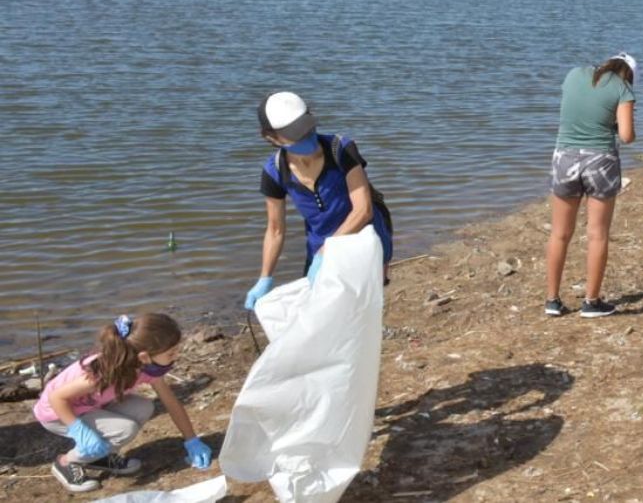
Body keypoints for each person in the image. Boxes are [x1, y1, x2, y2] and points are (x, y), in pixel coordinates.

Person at [246, 92, 394, 310]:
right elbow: (275, 229)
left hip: (365, 236)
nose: (307, 137)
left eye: (308, 128)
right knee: (320, 309)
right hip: (320, 243)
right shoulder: (274, 171)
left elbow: (363, 210)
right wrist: (265, 277)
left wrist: (327, 252)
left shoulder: (341, 149)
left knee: (363, 305)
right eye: (296, 134)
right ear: (272, 137)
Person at [33, 314, 211, 494]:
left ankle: (97, 457)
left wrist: (192, 440)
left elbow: (170, 402)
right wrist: (79, 430)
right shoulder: (102, 373)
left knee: (143, 407)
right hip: (57, 413)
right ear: (145, 356)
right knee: (125, 429)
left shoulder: (145, 368)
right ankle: (67, 461)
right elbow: (56, 398)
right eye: (171, 353)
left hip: (90, 406)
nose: (176, 356)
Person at [545, 53, 637, 318]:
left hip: (564, 157)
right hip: (600, 161)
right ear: (628, 75)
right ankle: (591, 302)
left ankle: (552, 300)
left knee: (560, 233)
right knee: (597, 233)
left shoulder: (574, 74)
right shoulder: (623, 88)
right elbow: (627, 136)